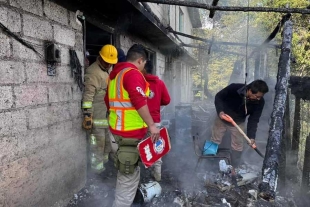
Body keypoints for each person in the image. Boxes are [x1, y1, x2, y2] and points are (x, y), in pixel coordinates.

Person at [104, 44, 160, 207]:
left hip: (116, 134)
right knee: (127, 182)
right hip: (128, 137)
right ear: (140, 60)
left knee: (124, 174)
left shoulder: (115, 76)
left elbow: (108, 102)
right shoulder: (132, 74)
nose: (143, 68)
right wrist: (151, 125)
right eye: (143, 64)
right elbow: (138, 101)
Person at [211, 80, 269, 167]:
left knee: (237, 145)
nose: (259, 99)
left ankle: (234, 166)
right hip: (222, 117)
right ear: (250, 91)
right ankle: (209, 161)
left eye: (260, 97)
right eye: (257, 96)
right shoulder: (234, 88)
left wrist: (251, 137)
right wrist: (220, 111)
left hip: (238, 122)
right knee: (215, 139)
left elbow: (254, 120)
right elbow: (218, 97)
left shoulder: (260, 102)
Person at [81, 44, 118, 174]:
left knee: (107, 143)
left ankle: (105, 165)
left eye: (111, 63)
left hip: (105, 116)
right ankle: (96, 172)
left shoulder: (106, 70)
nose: (109, 65)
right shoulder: (93, 72)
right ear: (100, 58)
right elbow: (88, 97)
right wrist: (87, 115)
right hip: (96, 117)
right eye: (107, 62)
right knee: (97, 144)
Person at [142, 60, 170, 181]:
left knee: (140, 147)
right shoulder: (159, 83)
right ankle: (157, 175)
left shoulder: (139, 82)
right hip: (155, 122)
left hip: (139, 121)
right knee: (156, 148)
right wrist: (157, 102)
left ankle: (141, 175)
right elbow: (167, 100)